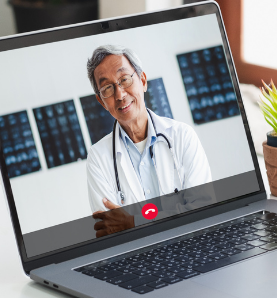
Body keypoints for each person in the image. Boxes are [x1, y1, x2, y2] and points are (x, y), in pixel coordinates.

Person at [86, 45, 212, 236]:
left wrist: (134, 222)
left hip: (192, 249)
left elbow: (203, 211)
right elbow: (111, 233)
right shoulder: (98, 158)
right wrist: (174, 214)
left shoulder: (182, 136)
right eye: (107, 88)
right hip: (138, 260)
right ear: (101, 101)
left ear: (142, 80)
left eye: (124, 80)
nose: (120, 95)